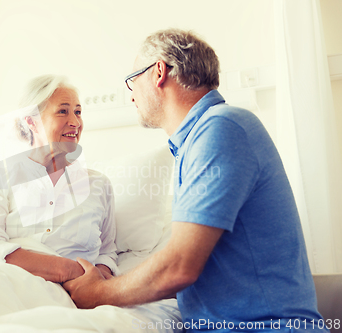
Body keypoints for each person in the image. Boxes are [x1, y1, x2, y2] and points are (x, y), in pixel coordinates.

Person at [63, 29, 327, 331]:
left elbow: (179, 266)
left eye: (132, 80)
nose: (131, 93)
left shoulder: (221, 127)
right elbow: (199, 267)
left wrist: (97, 293)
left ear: (158, 72)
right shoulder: (198, 141)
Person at [0, 74, 119, 284]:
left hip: (76, 295)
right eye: (63, 111)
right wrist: (65, 270)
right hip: (8, 285)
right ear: (31, 122)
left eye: (78, 112)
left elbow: (107, 252)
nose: (75, 122)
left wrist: (96, 284)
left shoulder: (99, 185)